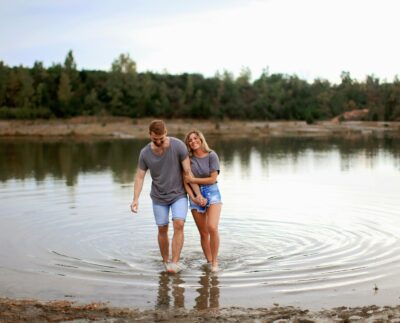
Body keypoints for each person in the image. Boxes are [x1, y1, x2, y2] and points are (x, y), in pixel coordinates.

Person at [130, 120, 204, 274]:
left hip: (178, 194)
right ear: (150, 134)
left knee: (179, 224)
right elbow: (139, 177)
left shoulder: (178, 146)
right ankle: (165, 261)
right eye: (154, 138)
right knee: (162, 228)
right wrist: (135, 199)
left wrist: (198, 195)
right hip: (158, 197)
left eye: (161, 138)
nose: (158, 141)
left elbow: (188, 173)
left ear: (166, 133)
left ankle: (174, 263)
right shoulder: (145, 153)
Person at [183, 130, 222, 273]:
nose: (193, 141)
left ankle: (215, 263)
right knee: (204, 233)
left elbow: (212, 178)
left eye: (195, 138)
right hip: (194, 195)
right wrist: (194, 197)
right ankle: (209, 261)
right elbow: (185, 181)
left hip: (212, 192)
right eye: (190, 140)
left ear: (201, 139)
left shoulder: (212, 155)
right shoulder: (187, 159)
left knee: (212, 227)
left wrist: (193, 180)